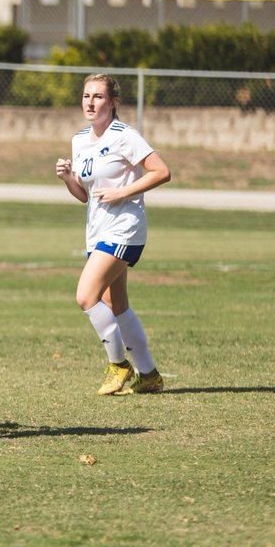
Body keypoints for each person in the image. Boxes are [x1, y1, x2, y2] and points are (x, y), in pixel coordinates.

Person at [55, 73, 171, 396]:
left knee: (85, 296)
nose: (90, 103)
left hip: (125, 228)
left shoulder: (125, 136)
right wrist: (68, 178)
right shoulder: (80, 140)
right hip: (97, 231)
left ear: (113, 102)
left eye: (98, 97)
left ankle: (118, 364)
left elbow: (162, 172)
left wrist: (123, 192)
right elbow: (85, 195)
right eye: (86, 96)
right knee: (116, 304)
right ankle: (149, 375)